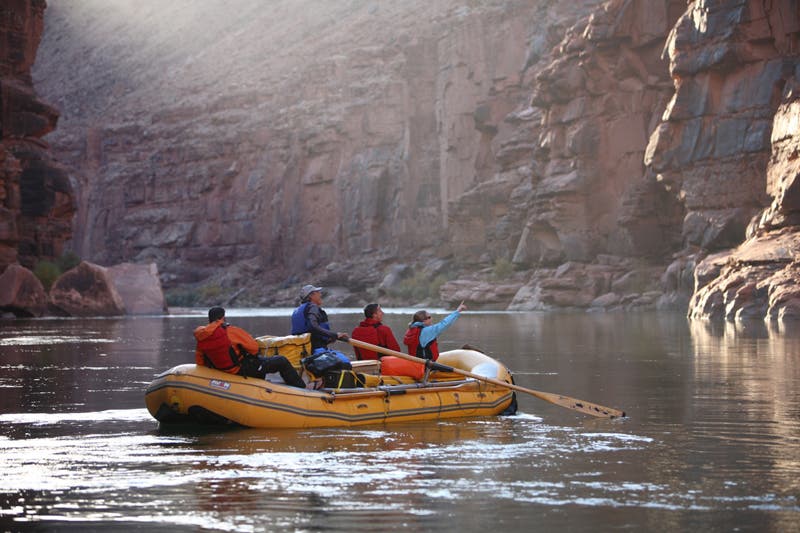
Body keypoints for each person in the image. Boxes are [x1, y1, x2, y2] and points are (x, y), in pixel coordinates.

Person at [195, 306, 306, 388]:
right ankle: (301, 389)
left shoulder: (201, 338)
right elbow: (254, 348)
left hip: (221, 370)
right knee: (281, 360)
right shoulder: (230, 331)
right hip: (239, 369)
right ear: (223, 318)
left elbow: (200, 362)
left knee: (259, 363)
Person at [290, 284, 349, 350]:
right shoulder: (313, 307)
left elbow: (312, 335)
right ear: (311, 295)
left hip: (303, 350)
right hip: (315, 351)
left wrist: (330, 338)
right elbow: (312, 326)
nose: (320, 295)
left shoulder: (298, 310)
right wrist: (335, 335)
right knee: (343, 359)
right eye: (317, 292)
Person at [403, 301, 467, 361]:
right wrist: (457, 311)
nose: (432, 318)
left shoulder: (411, 330)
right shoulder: (427, 331)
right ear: (424, 321)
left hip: (416, 364)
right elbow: (444, 324)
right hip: (426, 366)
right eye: (429, 317)